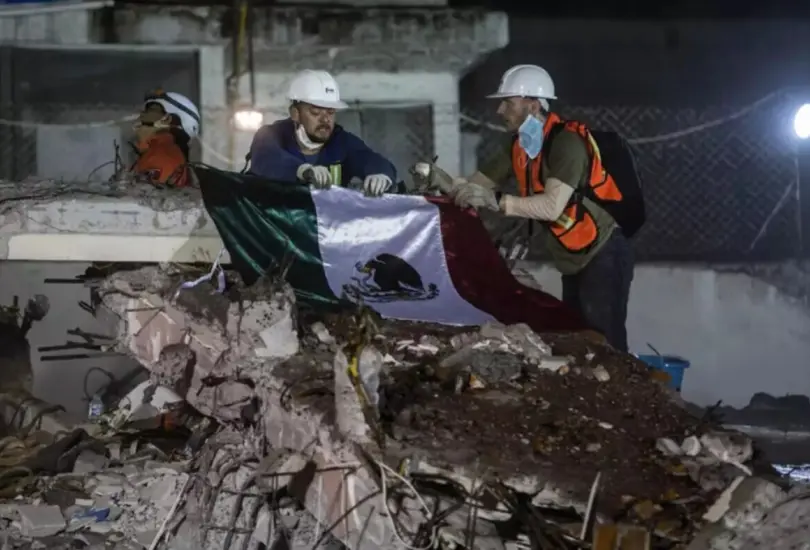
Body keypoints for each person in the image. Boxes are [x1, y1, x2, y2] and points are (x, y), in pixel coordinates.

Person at [439, 65, 635, 352]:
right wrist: (437, 179)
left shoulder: (566, 142)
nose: (499, 110)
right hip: (573, 254)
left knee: (605, 342)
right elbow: (473, 186)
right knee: (581, 336)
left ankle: (627, 395)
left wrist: (494, 201)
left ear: (532, 104)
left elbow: (553, 207)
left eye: (507, 102)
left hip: (602, 251)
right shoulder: (519, 146)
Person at [248, 69, 397, 196]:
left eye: (331, 112)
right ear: (295, 113)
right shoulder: (271, 135)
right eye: (315, 112)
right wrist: (303, 171)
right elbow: (266, 160)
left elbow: (369, 158)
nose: (325, 119)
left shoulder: (341, 142)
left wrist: (382, 174)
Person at [131, 90, 200, 188]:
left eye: (150, 111)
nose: (142, 116)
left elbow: (140, 198)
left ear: (167, 119)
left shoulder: (161, 157)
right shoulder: (151, 153)